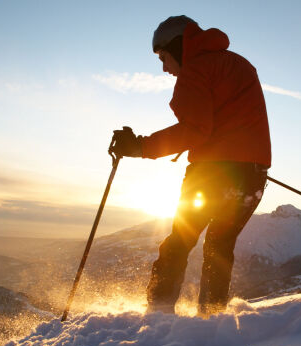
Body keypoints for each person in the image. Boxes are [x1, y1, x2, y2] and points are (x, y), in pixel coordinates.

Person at [110, 16, 271, 316]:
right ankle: (211, 319)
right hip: (253, 173)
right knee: (219, 246)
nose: (164, 68)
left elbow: (196, 129)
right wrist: (247, 162)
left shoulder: (196, 68)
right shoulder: (238, 64)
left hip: (213, 172)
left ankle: (157, 316)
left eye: (163, 57)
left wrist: (140, 146)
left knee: (179, 242)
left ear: (177, 46)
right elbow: (234, 119)